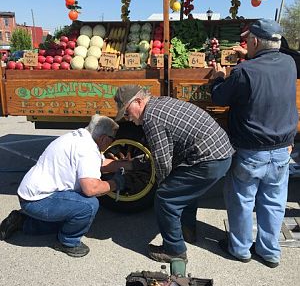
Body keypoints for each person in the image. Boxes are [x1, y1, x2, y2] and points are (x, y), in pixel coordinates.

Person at [211, 19, 298, 268]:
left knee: (242, 200)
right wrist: (248, 57)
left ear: (255, 41)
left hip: (250, 151)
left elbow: (220, 96)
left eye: (249, 40)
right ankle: (270, 251)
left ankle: (240, 249)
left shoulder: (244, 71)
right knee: (273, 202)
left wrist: (218, 77)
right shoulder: (289, 64)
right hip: (282, 148)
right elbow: (268, 73)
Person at [114, 85, 234, 263]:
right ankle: (187, 230)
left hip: (210, 159)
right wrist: (135, 163)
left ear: (138, 102)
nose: (128, 118)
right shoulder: (159, 103)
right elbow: (162, 151)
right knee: (183, 188)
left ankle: (174, 250)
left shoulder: (151, 118)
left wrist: (164, 186)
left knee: (165, 198)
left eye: (127, 111)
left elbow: (162, 161)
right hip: (220, 153)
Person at [0, 115, 131, 258]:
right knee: (88, 206)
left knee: (69, 219)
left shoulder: (81, 138)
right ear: (104, 139)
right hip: (38, 200)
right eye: (112, 140)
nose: (111, 144)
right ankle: (68, 242)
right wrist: (116, 183)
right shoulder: (87, 150)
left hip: (33, 194)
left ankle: (21, 221)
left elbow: (99, 164)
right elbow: (91, 189)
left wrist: (128, 165)